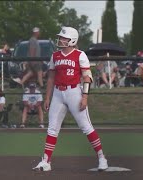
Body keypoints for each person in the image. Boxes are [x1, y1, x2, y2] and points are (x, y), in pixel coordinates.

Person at [32, 27, 108, 172]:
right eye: (61, 37)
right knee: (52, 128)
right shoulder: (55, 56)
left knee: (86, 127)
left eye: (64, 38)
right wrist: (47, 97)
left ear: (72, 40)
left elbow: (87, 77)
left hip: (74, 92)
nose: (61, 40)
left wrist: (85, 97)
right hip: (58, 93)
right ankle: (46, 161)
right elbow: (51, 78)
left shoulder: (80, 55)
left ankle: (102, 158)